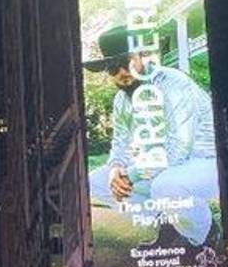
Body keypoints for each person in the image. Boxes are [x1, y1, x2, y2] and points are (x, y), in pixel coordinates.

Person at [83, 25, 218, 249]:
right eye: (112, 68)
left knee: (165, 187)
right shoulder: (121, 100)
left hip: (204, 161)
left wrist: (132, 174)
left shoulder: (173, 84)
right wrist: (116, 169)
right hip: (163, 166)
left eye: (125, 63)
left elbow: (178, 150)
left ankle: (203, 235)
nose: (121, 73)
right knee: (95, 182)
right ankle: (168, 223)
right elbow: (120, 144)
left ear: (141, 57)